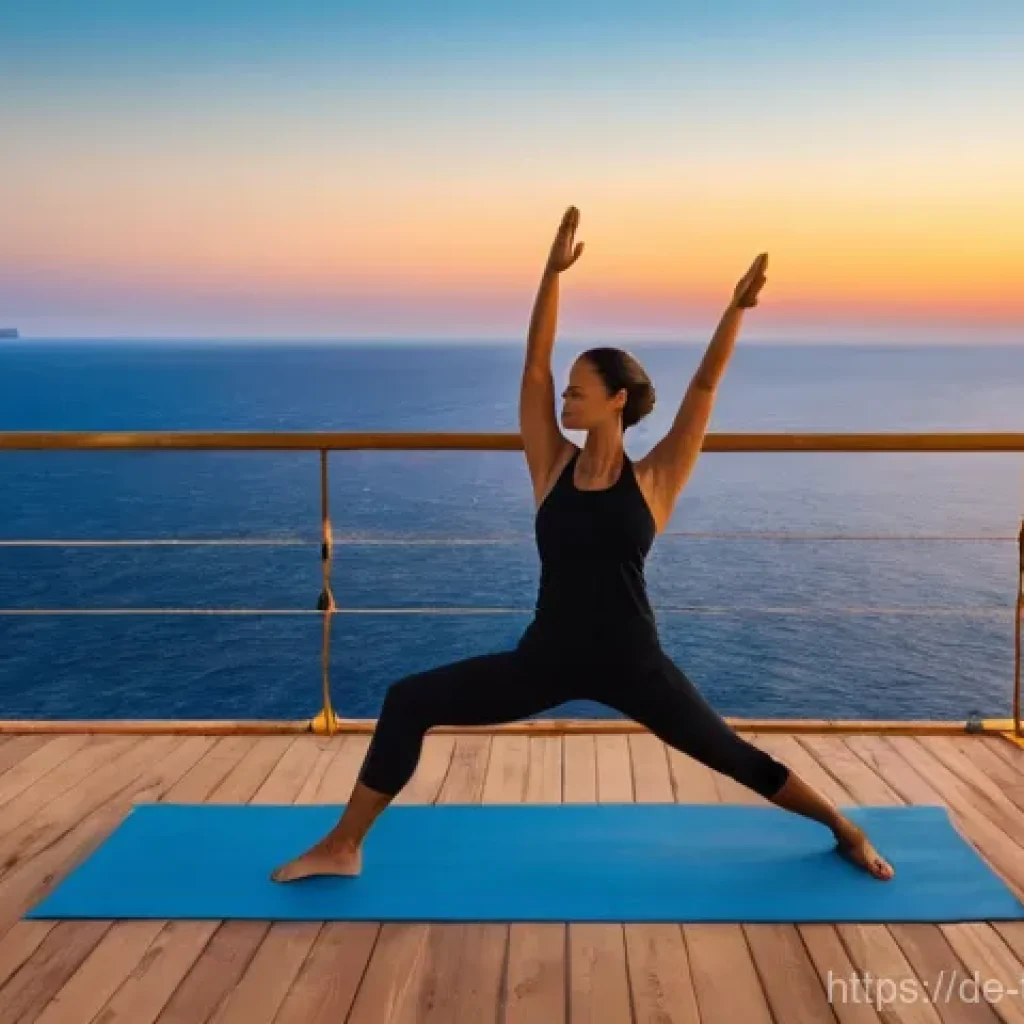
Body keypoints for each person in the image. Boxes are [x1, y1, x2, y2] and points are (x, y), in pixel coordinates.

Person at [272, 206, 894, 883]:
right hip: (546, 659)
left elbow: (704, 387)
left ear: (617, 400)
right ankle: (344, 846)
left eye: (580, 392)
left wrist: (736, 308)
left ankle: (845, 829)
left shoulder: (655, 479)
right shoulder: (552, 467)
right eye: (566, 393)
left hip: (634, 663)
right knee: (407, 700)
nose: (565, 400)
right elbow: (535, 369)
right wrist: (550, 273)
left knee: (734, 757)